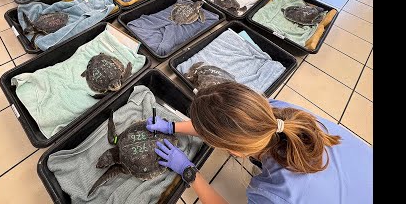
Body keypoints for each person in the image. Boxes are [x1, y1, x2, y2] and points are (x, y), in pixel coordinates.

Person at [146, 82, 372, 203]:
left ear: (235, 151)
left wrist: (189, 172)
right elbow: (227, 125)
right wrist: (172, 127)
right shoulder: (278, 112)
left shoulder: (274, 195)